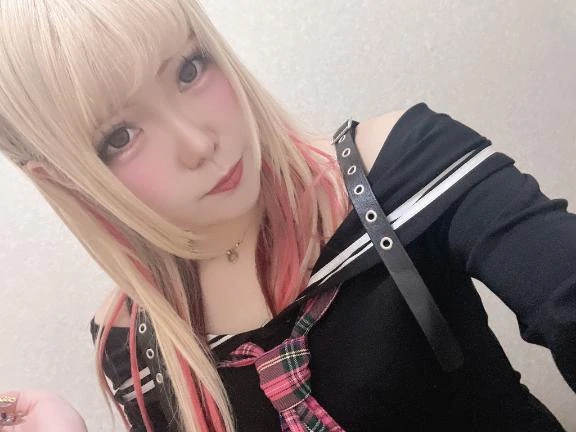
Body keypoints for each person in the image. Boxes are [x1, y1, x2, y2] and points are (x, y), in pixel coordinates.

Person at [0, 0, 574, 431]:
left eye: (189, 69)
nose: (198, 143)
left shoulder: (403, 170)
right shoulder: (133, 343)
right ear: (66, 180)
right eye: (120, 136)